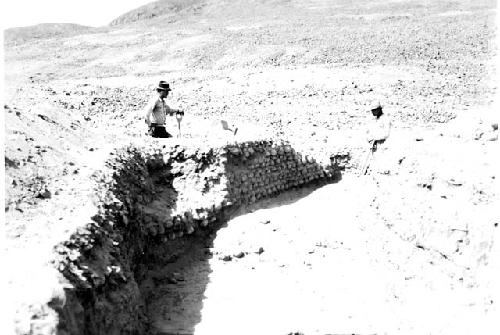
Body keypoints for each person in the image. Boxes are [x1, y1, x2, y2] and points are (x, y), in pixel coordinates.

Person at [361, 102, 392, 175]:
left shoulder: (386, 119)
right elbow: (370, 131)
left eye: (374, 110)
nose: (372, 112)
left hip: (383, 146)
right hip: (374, 146)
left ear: (379, 110)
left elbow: (386, 134)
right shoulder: (374, 120)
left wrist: (375, 138)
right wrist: (369, 137)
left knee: (382, 165)